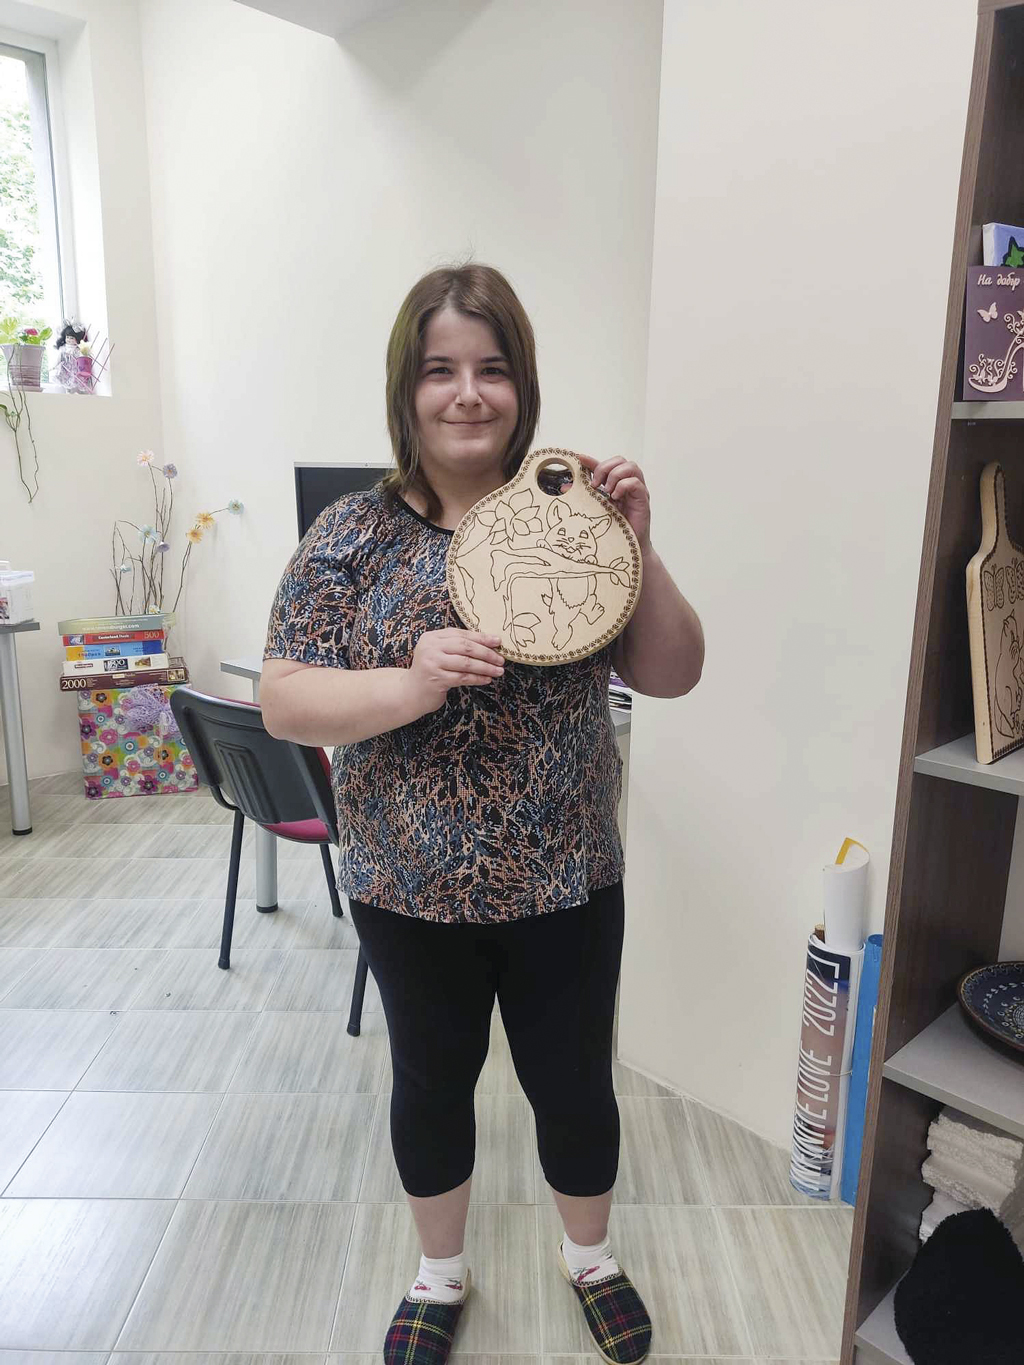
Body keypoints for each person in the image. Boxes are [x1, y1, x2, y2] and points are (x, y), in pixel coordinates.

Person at [260, 262, 704, 1365]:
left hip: (566, 876)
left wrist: (637, 544)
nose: (467, 393)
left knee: (574, 1084)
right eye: (440, 370)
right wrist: (410, 684)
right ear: (405, 389)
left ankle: (589, 1258)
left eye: (492, 368)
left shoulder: (574, 517)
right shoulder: (352, 534)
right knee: (430, 1083)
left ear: (523, 386)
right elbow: (283, 699)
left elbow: (673, 672)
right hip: (409, 884)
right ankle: (438, 1274)